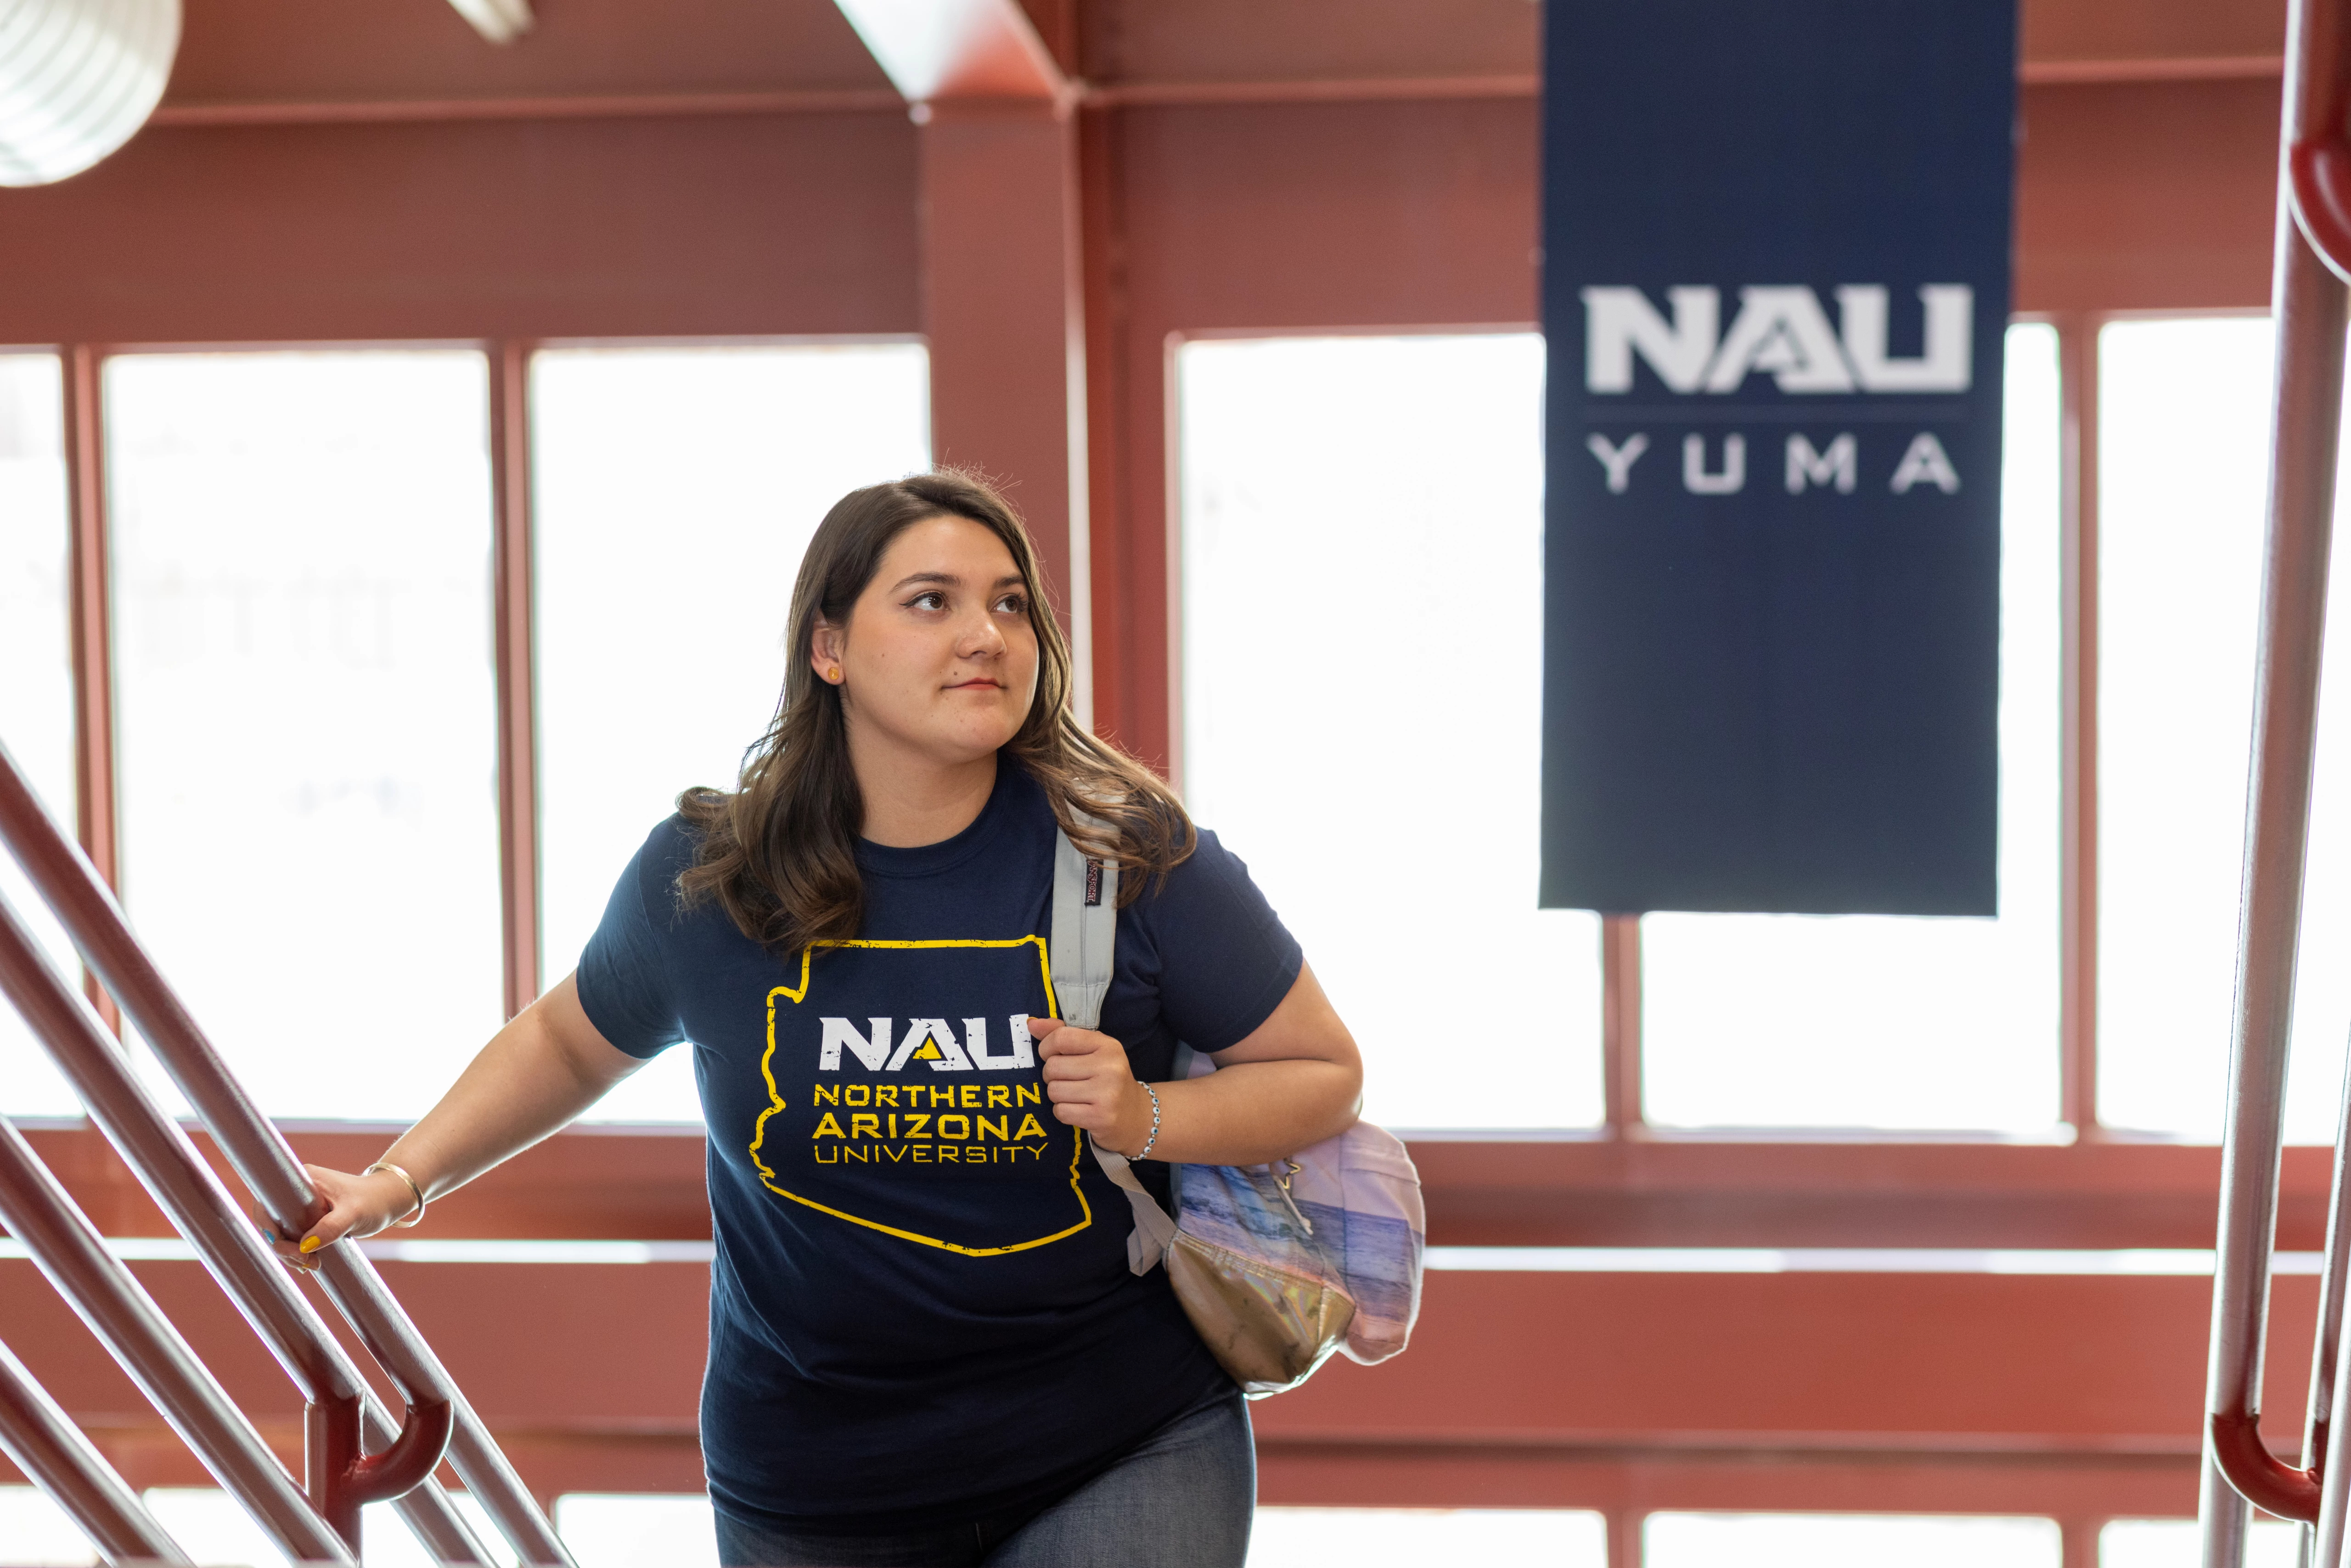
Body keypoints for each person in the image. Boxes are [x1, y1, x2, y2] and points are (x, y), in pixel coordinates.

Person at [274, 471, 1364, 1567]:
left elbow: (1321, 1068)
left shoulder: (1131, 856)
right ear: (828, 646)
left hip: (1118, 1443)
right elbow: (567, 1039)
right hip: (816, 1480)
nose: (985, 634)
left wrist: (1145, 1114)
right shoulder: (710, 876)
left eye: (1010, 603)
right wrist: (397, 1182)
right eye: (931, 601)